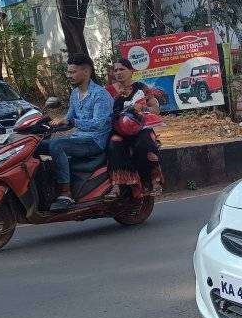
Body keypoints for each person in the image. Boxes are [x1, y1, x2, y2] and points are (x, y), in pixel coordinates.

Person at [46, 54, 114, 211]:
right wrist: (48, 125)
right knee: (38, 145)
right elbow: (68, 120)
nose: (69, 75)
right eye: (68, 72)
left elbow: (98, 124)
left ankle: (66, 193)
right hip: (79, 138)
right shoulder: (74, 94)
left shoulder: (100, 94)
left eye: (72, 72)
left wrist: (72, 122)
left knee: (57, 145)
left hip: (95, 141)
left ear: (86, 71)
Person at [104, 58, 164, 199]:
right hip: (119, 129)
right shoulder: (108, 91)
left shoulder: (141, 88)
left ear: (131, 71)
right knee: (114, 143)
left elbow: (155, 109)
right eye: (116, 70)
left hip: (140, 127)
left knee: (146, 141)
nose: (118, 73)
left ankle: (154, 182)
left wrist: (142, 108)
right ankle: (117, 186)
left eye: (122, 69)